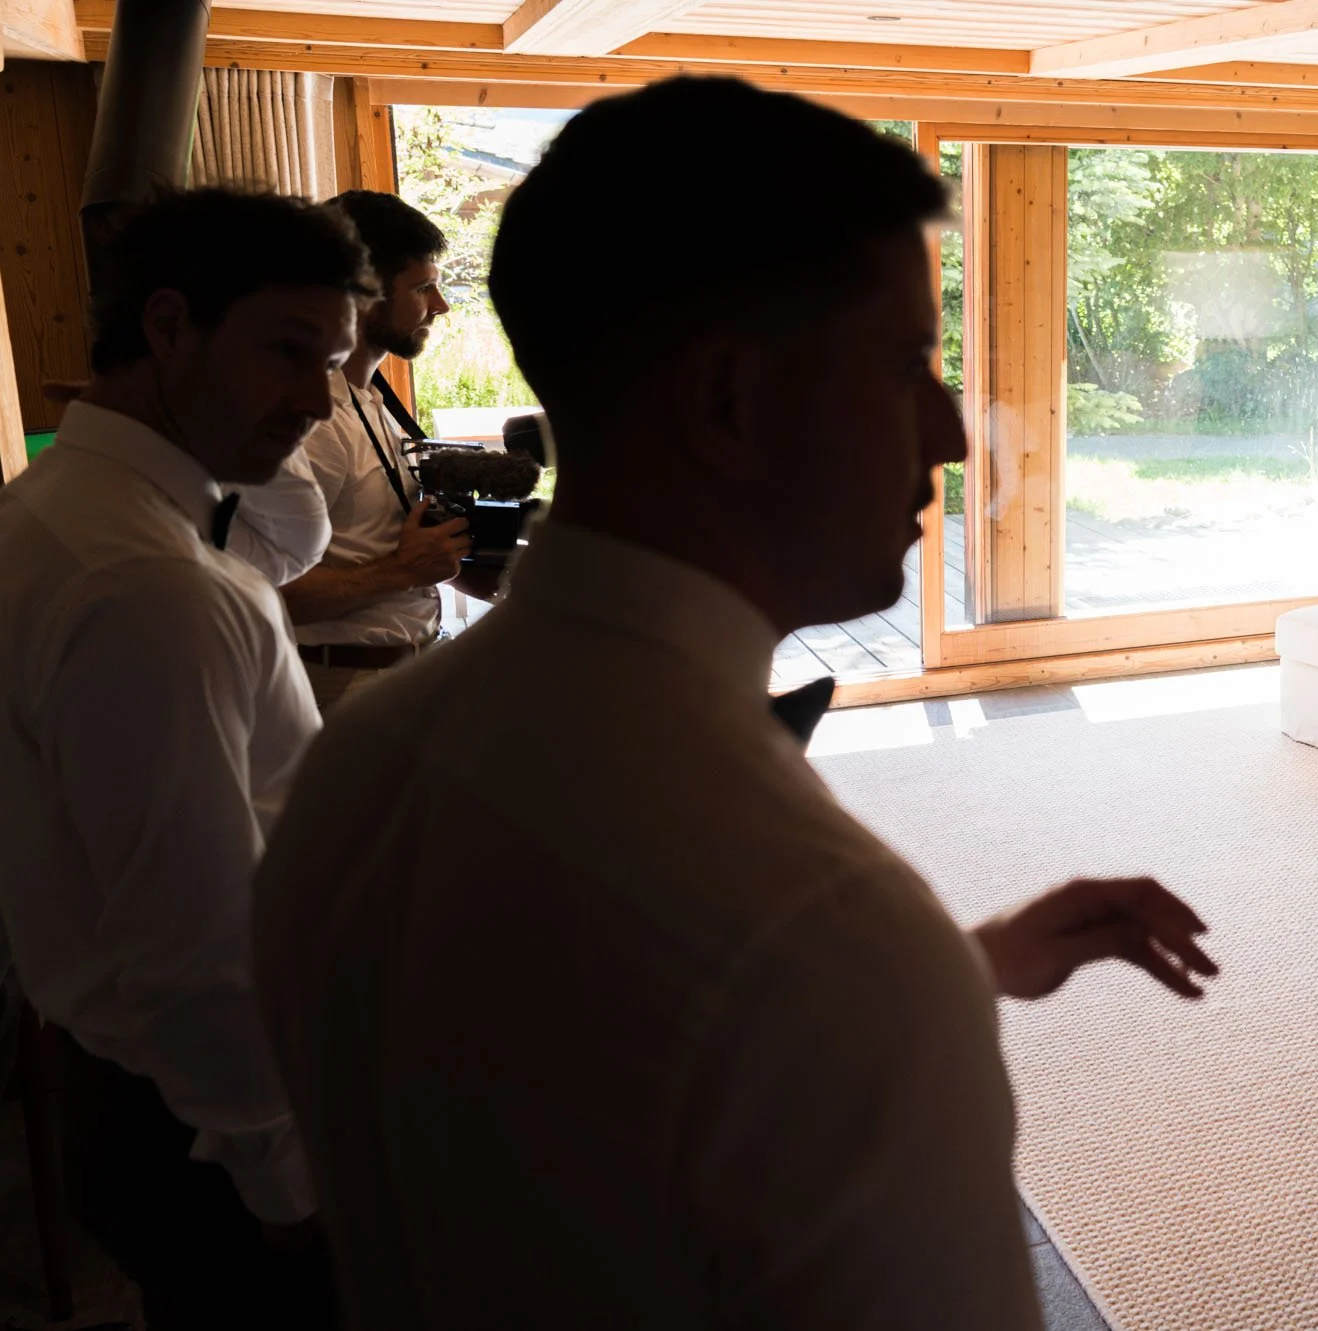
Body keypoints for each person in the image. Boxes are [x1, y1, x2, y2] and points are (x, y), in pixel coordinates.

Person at [253, 77, 1218, 1331]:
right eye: (906, 364)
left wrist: (960, 965)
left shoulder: (359, 764)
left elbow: (559, 1083)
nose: (951, 435)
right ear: (725, 402)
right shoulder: (819, 930)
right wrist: (904, 983)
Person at [0, 188, 371, 1328]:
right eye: (288, 351)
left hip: (131, 1093)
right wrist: (284, 1177)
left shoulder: (49, 507)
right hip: (202, 1125)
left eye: (334, 359)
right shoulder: (146, 583)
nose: (315, 401)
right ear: (168, 325)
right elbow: (194, 935)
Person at [237, 189, 475, 712]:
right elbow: (258, 593)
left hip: (401, 675)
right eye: (424, 287)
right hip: (338, 688)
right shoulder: (312, 426)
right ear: (366, 292)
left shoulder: (373, 397)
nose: (440, 305)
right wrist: (403, 571)